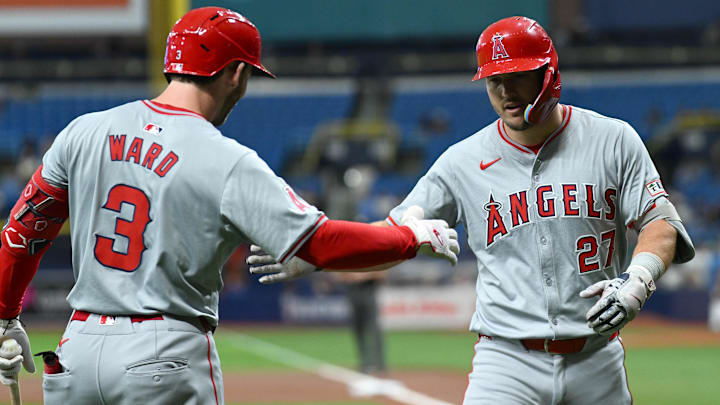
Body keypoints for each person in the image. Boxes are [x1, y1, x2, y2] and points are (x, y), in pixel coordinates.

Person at [0, 7, 460, 405]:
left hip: (76, 350)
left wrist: (5, 314)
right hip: (164, 354)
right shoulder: (225, 158)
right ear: (236, 74)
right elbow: (321, 244)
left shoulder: (84, 131)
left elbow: (23, 233)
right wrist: (408, 238)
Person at [247, 16, 695, 405]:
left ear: (548, 74)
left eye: (517, 75)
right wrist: (323, 253)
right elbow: (399, 229)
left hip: (597, 358)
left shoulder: (613, 140)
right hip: (507, 362)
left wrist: (638, 281)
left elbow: (661, 223)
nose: (503, 90)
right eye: (493, 80)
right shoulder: (462, 161)